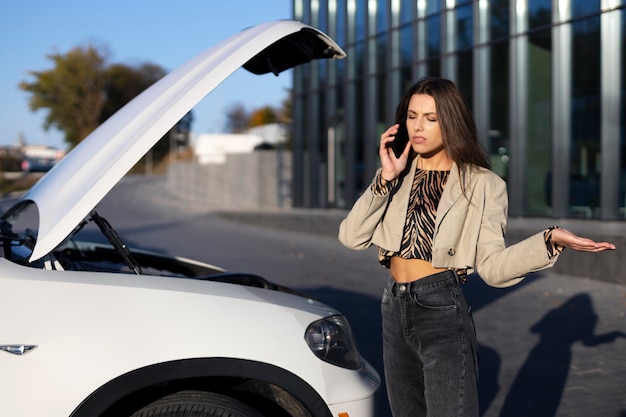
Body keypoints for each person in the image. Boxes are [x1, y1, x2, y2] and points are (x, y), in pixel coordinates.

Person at [338, 77, 616, 417]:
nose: (418, 127)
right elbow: (351, 237)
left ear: (451, 121)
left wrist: (549, 240)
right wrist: (384, 180)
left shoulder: (484, 184)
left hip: (440, 308)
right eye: (412, 116)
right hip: (393, 306)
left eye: (431, 118)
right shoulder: (396, 176)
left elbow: (493, 268)